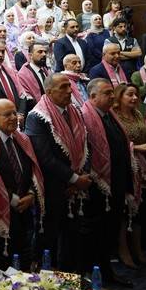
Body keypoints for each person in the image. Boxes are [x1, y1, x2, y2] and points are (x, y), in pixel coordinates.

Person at [24, 74, 91, 271]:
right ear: (49, 92)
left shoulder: (74, 111)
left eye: (69, 86)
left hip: (75, 186)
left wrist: (80, 177)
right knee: (49, 237)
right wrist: (74, 178)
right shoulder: (37, 117)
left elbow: (85, 144)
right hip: (52, 187)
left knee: (72, 237)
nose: (69, 91)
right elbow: (45, 158)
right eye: (63, 87)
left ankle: (71, 276)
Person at [0, 99, 44, 269]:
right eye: (7, 115)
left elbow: (31, 171)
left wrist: (31, 194)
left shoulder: (22, 139)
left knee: (24, 257)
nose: (13, 118)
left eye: (14, 113)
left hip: (24, 209)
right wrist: (13, 199)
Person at [80, 78, 134, 286]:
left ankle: (107, 272)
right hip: (97, 186)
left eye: (112, 92)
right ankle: (93, 274)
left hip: (116, 182)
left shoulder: (110, 115)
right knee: (96, 232)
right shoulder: (85, 117)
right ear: (93, 96)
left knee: (111, 230)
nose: (113, 96)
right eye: (107, 93)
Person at [114, 83, 146, 268]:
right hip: (125, 167)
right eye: (129, 95)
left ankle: (137, 249)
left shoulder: (138, 113)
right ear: (119, 97)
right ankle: (123, 250)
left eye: (136, 95)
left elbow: (145, 133)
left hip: (142, 167)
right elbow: (116, 144)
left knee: (140, 211)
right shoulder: (115, 116)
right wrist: (138, 148)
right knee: (125, 212)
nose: (134, 98)